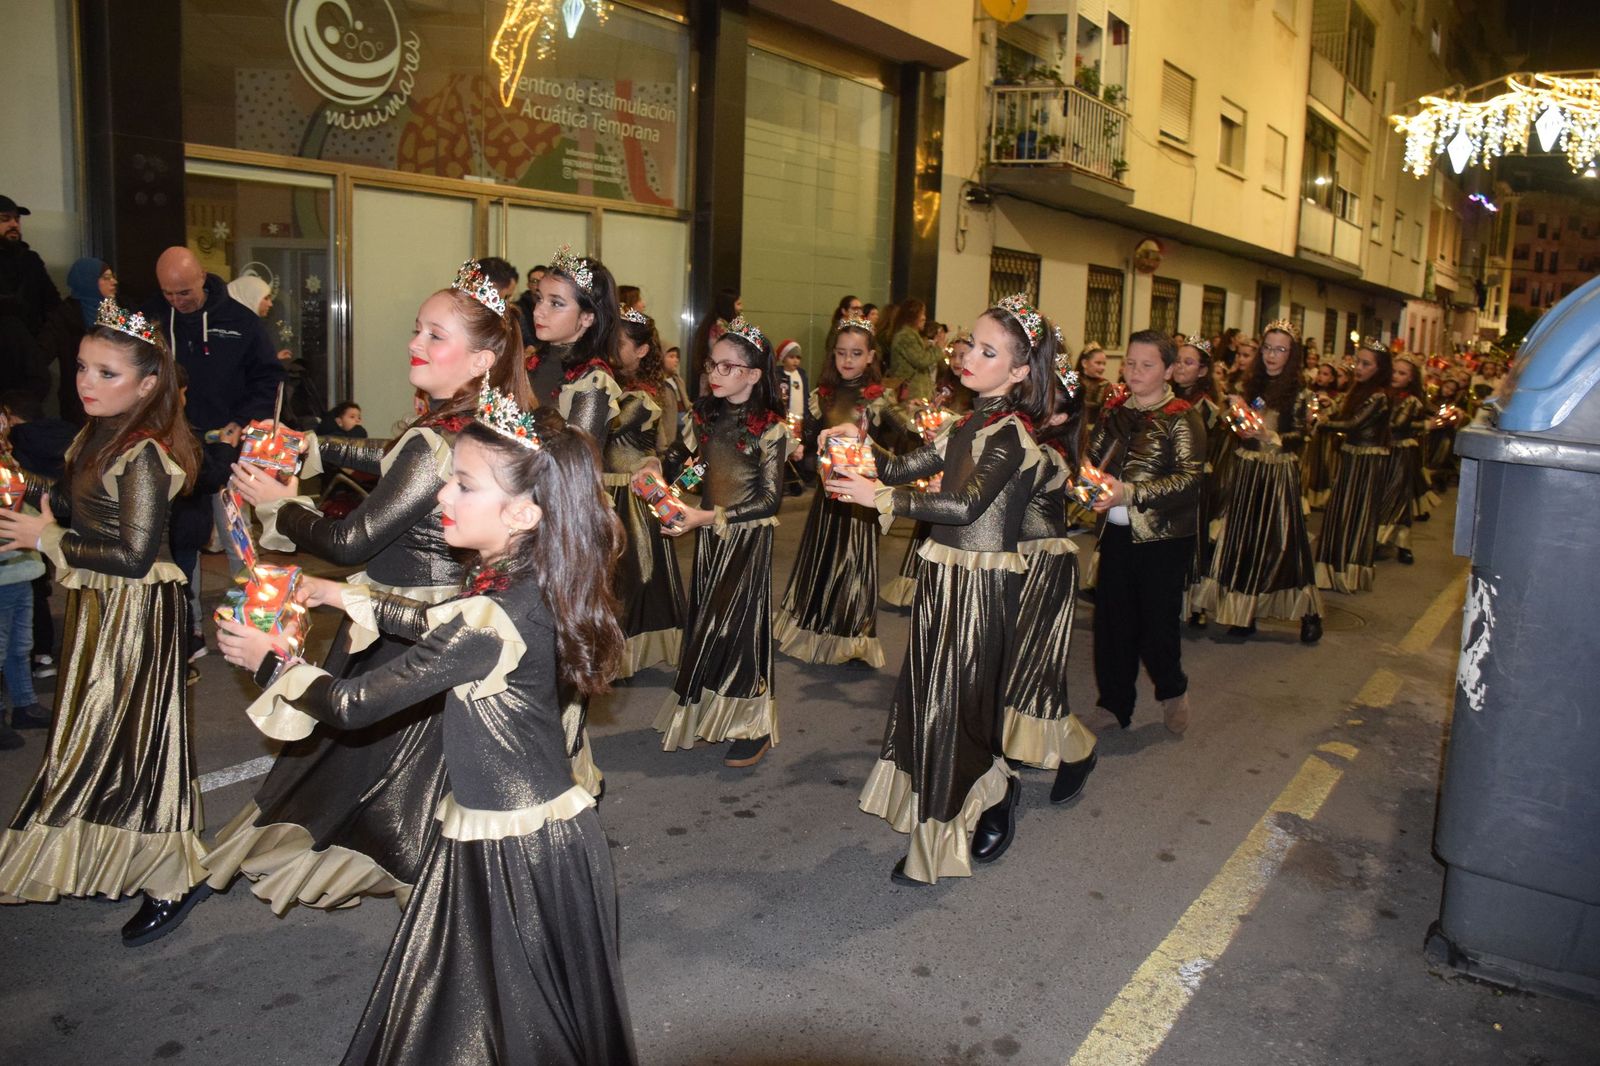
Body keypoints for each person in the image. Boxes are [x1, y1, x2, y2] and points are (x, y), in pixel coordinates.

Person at [218, 402, 638, 1066]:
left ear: (524, 514)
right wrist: (340, 596)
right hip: (533, 834)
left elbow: (355, 703)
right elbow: (444, 623)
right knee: (479, 1006)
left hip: (515, 850)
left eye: (465, 483)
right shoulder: (528, 579)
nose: (442, 492)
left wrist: (272, 661)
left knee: (510, 1020)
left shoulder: (492, 611)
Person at [206, 260, 533, 914]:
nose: (416, 343)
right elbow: (394, 455)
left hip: (401, 626)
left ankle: (434, 897)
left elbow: (353, 541)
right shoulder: (473, 422)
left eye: (435, 335)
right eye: (418, 329)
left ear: (481, 359)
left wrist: (281, 503)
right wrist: (319, 447)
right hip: (432, 615)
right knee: (386, 774)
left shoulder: (441, 438)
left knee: (344, 763)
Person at [0, 298, 209, 944]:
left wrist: (45, 538)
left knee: (138, 746)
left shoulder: (145, 453)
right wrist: (20, 483)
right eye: (85, 368)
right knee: (96, 742)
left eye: (107, 373)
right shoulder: (98, 432)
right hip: (100, 609)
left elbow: (133, 552)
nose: (87, 383)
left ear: (149, 385)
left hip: (137, 612)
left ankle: (172, 878)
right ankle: (115, 856)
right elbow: (75, 501)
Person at [828, 294, 1052, 885]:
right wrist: (857, 446)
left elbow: (964, 504)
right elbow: (901, 467)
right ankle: (993, 786)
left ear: (1022, 371)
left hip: (982, 592)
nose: (967, 357)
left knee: (958, 708)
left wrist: (882, 499)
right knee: (930, 700)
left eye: (987, 351)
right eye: (968, 344)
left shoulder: (1011, 438)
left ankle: (961, 818)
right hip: (943, 577)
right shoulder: (963, 423)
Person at [644, 316, 786, 769]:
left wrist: (704, 515)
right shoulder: (706, 415)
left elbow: (768, 500)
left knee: (741, 631)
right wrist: (663, 484)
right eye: (712, 364)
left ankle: (752, 724)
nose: (713, 374)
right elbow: (698, 468)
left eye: (727, 367)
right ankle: (711, 710)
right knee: (707, 622)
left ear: (753, 374)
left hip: (745, 539)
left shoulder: (770, 428)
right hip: (709, 536)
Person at [532, 246, 622, 793]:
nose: (541, 311)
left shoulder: (592, 381)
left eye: (556, 303)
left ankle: (565, 782)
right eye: (539, 298)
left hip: (562, 533)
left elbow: (574, 462)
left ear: (586, 318)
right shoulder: (536, 364)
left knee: (555, 660)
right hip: (521, 520)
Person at [1085, 329, 1205, 735]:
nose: (1135, 371)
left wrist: (1130, 492)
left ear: (1169, 370)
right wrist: (1086, 481)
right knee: (1112, 623)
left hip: (1164, 539)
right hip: (1117, 535)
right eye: (1131, 363)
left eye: (1147, 365)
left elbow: (1189, 481)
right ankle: (1113, 705)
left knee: (1157, 627)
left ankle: (1172, 690)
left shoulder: (1183, 419)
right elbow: (1093, 457)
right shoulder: (1115, 410)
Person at [775, 315, 907, 668]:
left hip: (861, 497)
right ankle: (814, 626)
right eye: (841, 353)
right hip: (826, 494)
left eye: (856, 353)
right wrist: (797, 445)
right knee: (821, 557)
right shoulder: (823, 395)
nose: (847, 361)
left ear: (870, 356)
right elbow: (808, 435)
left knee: (853, 562)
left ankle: (851, 638)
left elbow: (906, 439)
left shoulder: (880, 399)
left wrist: (877, 456)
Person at [1001, 349, 1098, 803]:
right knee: (1008, 667)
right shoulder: (1018, 438)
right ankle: (1015, 747)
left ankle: (1078, 750)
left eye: (1046, 400)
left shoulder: (1050, 455)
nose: (1033, 405)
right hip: (1011, 564)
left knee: (1036, 674)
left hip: (1044, 569)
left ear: (1061, 416)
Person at [1191, 322, 1323, 643]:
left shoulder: (1301, 392)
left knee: (1285, 543)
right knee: (1242, 541)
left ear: (1292, 355)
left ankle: (1309, 613)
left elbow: (1304, 436)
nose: (1271, 355)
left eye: (1280, 350)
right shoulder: (1249, 386)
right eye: (1267, 348)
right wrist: (1235, 419)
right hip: (1248, 470)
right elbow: (1232, 425)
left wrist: (1269, 435)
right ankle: (1243, 612)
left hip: (1278, 474)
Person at [610, 306, 687, 677]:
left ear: (641, 351)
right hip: (604, 489)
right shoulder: (612, 384)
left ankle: (629, 651)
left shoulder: (641, 396)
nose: (610, 347)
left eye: (619, 342)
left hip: (631, 494)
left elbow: (606, 424)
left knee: (636, 574)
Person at [1313, 342, 1392, 594]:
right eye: (1358, 362)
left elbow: (1354, 423)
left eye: (1366, 364)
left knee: (1358, 514)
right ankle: (1330, 571)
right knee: (1340, 511)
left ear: (1379, 369)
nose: (1358, 368)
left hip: (1367, 463)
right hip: (1351, 457)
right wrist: (1325, 405)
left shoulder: (1379, 395)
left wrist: (1322, 423)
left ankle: (1349, 574)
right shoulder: (1358, 389)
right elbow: (1342, 409)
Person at [37, 258, 117, 424]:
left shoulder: (119, 310)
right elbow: (40, 355)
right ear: (88, 281)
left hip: (117, 397)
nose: (114, 282)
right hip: (79, 402)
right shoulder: (64, 316)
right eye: (106, 277)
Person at [0, 195, 57, 403]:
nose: (14, 224)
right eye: (5, 219)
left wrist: (39, 351)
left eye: (16, 219)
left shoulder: (30, 261)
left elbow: (53, 306)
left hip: (29, 365)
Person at [1375, 353, 1429, 564]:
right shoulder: (1382, 394)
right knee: (1379, 496)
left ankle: (1403, 545)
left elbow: (1398, 424)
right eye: (1394, 371)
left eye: (1402, 373)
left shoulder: (1412, 401)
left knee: (1398, 497)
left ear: (1411, 378)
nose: (1395, 376)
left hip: (1400, 454)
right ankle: (1378, 539)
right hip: (1381, 450)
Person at [883, 298, 940, 401]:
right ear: (913, 316)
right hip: (911, 395)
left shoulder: (910, 335)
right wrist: (938, 348)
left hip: (915, 394)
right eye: (922, 314)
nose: (924, 318)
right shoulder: (905, 336)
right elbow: (921, 360)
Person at [776, 338, 810, 493]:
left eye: (798, 357)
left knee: (797, 450)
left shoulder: (802, 375)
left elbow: (805, 396)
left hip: (798, 420)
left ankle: (797, 482)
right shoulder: (778, 375)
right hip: (783, 420)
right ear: (783, 358)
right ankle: (781, 482)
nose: (795, 361)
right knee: (782, 451)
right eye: (791, 357)